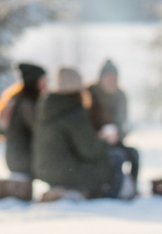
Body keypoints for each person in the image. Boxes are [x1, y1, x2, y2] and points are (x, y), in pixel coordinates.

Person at [33, 67, 127, 199]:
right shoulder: (74, 112)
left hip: (45, 171)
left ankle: (67, 191)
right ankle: (110, 199)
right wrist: (107, 141)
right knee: (116, 158)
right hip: (66, 172)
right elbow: (89, 151)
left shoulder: (47, 107)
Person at [88, 59, 139, 192]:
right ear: (101, 78)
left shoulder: (120, 96)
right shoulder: (90, 93)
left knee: (133, 154)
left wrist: (118, 134)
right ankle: (112, 193)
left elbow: (123, 122)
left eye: (114, 78)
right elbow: (84, 122)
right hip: (93, 142)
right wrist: (98, 135)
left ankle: (133, 188)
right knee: (116, 157)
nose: (111, 81)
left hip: (115, 140)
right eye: (108, 77)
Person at [0, 62, 47, 181]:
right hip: (24, 161)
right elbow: (40, 130)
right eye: (43, 80)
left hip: (14, 160)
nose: (46, 84)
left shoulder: (15, 100)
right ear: (34, 82)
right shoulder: (26, 104)